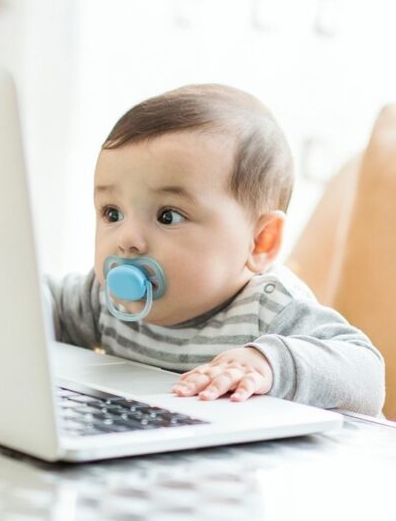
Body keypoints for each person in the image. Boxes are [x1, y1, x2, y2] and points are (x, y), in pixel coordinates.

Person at [47, 84, 385, 416]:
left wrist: (268, 363)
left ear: (260, 241)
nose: (128, 239)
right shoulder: (104, 300)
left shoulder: (268, 307)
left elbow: (367, 374)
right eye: (112, 213)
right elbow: (42, 302)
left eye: (168, 216)